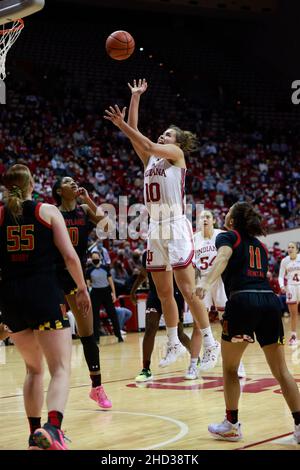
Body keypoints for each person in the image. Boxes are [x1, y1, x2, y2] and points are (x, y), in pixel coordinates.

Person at [104, 78, 219, 368]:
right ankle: (172, 344)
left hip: (176, 225)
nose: (163, 137)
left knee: (187, 291)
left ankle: (209, 342)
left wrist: (121, 125)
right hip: (155, 227)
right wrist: (135, 98)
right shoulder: (151, 161)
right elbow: (137, 138)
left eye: (168, 135)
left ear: (176, 143)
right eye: (163, 134)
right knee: (164, 292)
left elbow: (142, 140)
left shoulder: (176, 157)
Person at [0, 164, 90, 450]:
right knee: (61, 368)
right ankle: (53, 428)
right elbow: (70, 257)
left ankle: (35, 433)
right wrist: (82, 289)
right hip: (44, 294)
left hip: (11, 298)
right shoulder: (47, 211)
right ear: (32, 185)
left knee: (33, 370)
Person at [197, 202, 300, 443]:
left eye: (229, 211)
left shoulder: (227, 236)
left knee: (230, 368)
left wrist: (206, 282)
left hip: (243, 301)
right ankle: (299, 425)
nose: (226, 213)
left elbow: (223, 257)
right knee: (282, 371)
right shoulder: (261, 246)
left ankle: (232, 425)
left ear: (233, 221)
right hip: (269, 302)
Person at [52, 177, 112, 409]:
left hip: (77, 279)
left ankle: (97, 388)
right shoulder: (52, 212)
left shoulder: (84, 210)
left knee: (88, 335)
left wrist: (87, 199)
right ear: (59, 191)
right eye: (68, 182)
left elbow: (109, 227)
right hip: (54, 278)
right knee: (55, 334)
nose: (74, 183)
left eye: (74, 181)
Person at [186, 210, 245, 380]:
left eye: (207, 217)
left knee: (226, 322)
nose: (204, 219)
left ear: (213, 221)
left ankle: (237, 363)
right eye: (201, 217)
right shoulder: (194, 239)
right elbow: (192, 266)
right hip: (202, 282)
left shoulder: (222, 235)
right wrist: (195, 283)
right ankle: (193, 365)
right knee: (198, 325)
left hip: (220, 281)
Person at [130, 250, 191, 382]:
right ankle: (146, 369)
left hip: (173, 294)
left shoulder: (173, 249)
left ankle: (195, 358)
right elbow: (143, 274)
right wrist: (133, 290)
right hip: (154, 294)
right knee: (150, 329)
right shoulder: (148, 253)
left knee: (179, 334)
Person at [86, 251, 123, 343]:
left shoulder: (105, 268)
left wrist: (114, 294)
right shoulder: (89, 270)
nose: (95, 259)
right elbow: (88, 284)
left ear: (100, 258)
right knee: (95, 317)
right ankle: (96, 338)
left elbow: (111, 282)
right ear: (91, 259)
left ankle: (119, 336)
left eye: (96, 257)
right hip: (95, 293)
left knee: (113, 315)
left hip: (106, 292)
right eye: (93, 258)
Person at [278, 242, 300, 346]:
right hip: (291, 287)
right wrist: (282, 286)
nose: (290, 249)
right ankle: (293, 336)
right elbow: (281, 276)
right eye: (289, 247)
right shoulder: (284, 261)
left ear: (297, 249)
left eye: (292, 247)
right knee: (293, 313)